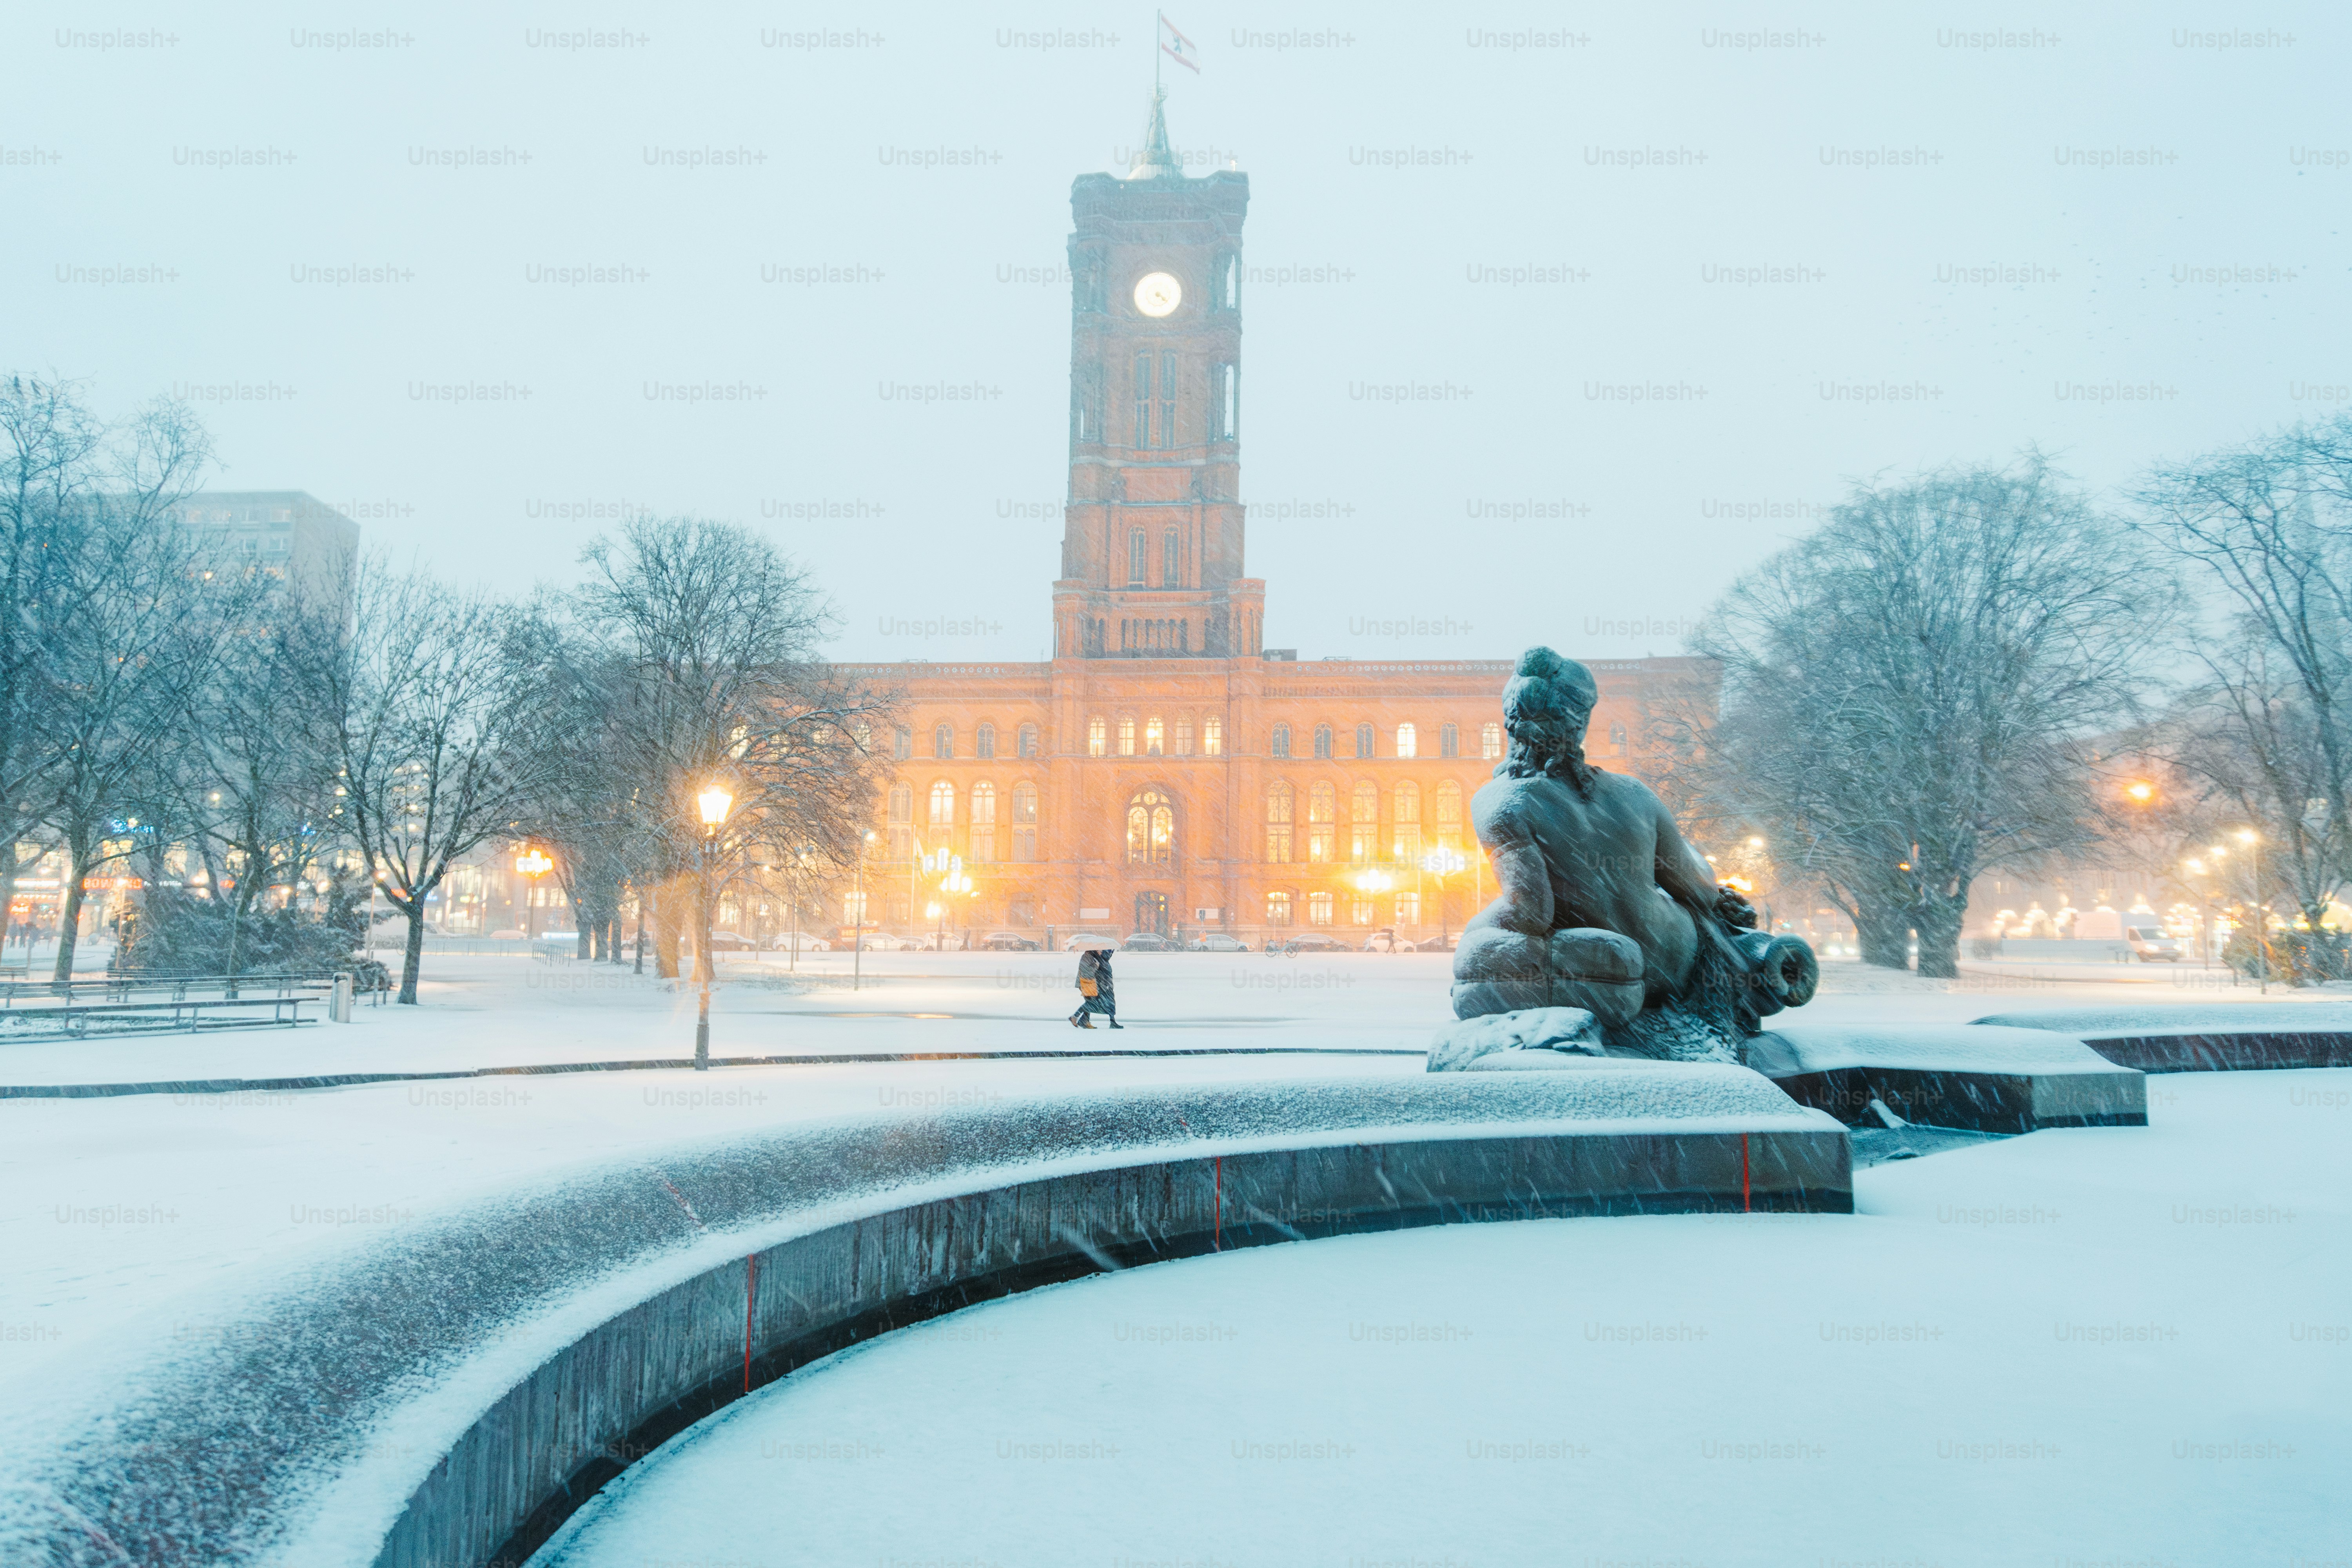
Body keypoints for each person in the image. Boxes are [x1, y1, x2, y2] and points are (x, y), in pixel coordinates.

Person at [1068, 945, 1120, 1029]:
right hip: (1086, 984)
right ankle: (1075, 1017)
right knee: (1091, 1003)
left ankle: (1084, 1022)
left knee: (1090, 1002)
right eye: (1099, 950)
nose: (1100, 951)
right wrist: (1096, 966)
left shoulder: (1094, 956)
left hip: (1091, 983)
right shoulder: (1087, 956)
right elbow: (1086, 972)